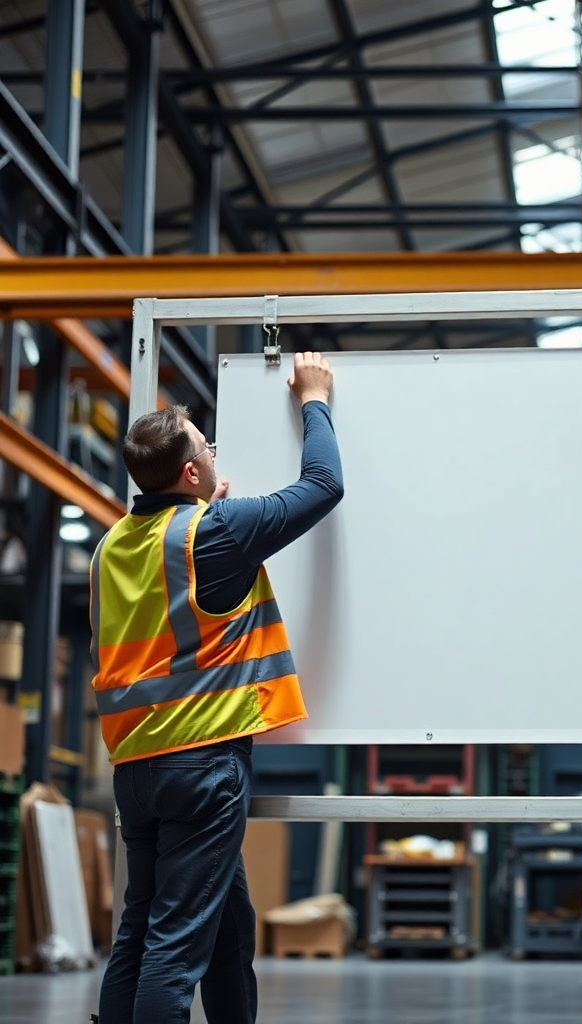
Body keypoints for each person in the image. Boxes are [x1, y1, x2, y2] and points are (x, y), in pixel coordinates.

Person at [89, 351, 344, 1024]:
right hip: (203, 765)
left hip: (137, 770)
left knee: (190, 931)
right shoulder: (217, 533)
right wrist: (314, 397)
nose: (213, 449)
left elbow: (167, 605)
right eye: (208, 446)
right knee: (172, 948)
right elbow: (323, 484)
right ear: (192, 472)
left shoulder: (113, 545)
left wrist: (211, 519)